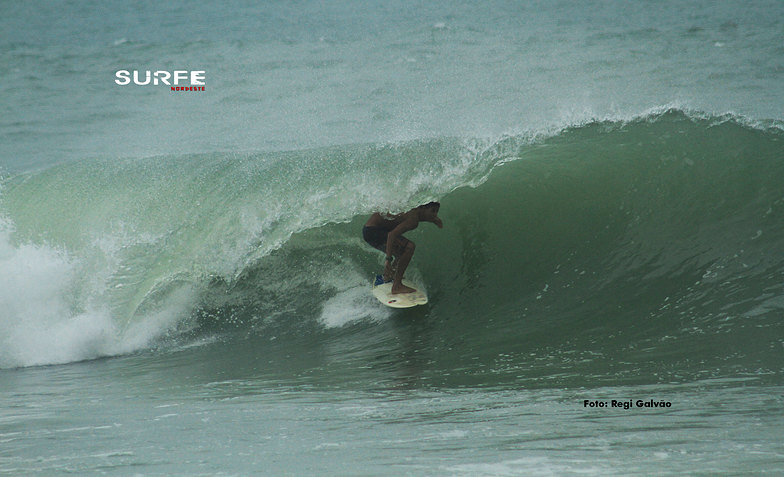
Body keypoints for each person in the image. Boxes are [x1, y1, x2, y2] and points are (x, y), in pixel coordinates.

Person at [362, 202, 443, 294]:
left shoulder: (413, 210)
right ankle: (397, 286)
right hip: (373, 231)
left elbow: (422, 216)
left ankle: (389, 275)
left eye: (436, 212)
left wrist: (434, 219)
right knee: (409, 247)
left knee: (402, 250)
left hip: (370, 230)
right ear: (422, 208)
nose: (435, 214)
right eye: (433, 211)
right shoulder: (413, 219)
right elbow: (392, 235)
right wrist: (388, 259)